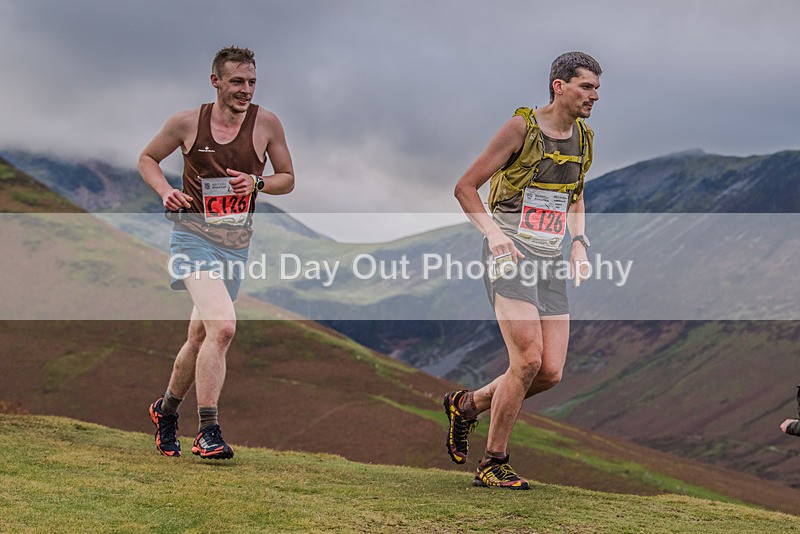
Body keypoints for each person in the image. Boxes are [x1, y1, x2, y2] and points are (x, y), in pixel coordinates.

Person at [445, 52, 601, 489]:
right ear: (559, 85)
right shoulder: (522, 128)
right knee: (527, 359)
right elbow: (465, 187)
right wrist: (493, 234)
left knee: (550, 372)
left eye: (596, 89)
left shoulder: (585, 139)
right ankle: (494, 462)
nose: (594, 96)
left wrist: (579, 244)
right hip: (510, 255)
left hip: (551, 260)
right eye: (586, 87)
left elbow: (575, 196)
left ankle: (467, 406)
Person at [138, 46, 294, 459]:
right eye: (237, 82)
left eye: (252, 82)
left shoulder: (267, 124)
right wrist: (166, 191)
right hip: (191, 238)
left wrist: (257, 184)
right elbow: (148, 158)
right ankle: (208, 430)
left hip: (235, 246)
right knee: (223, 327)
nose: (246, 90)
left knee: (201, 336)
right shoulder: (188, 122)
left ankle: (165, 410)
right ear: (216, 82)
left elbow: (288, 178)